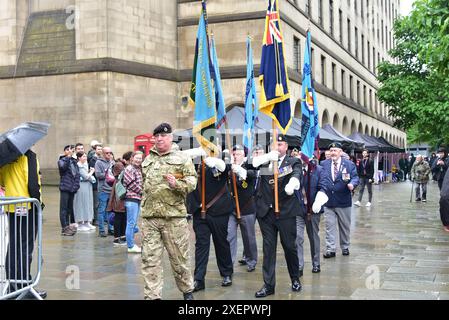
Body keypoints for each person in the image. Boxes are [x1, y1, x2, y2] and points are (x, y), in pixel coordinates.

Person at [140, 123, 197, 300]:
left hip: (174, 218)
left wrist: (177, 184)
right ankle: (152, 296)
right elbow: (145, 184)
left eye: (163, 136)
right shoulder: (148, 159)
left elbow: (192, 182)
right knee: (150, 260)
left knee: (180, 259)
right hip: (150, 218)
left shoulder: (182, 158)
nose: (159, 139)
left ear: (170, 137)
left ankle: (187, 291)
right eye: (156, 136)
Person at [252, 134, 302, 298]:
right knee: (268, 250)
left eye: (280, 144)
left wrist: (293, 183)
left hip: (285, 212)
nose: (277, 147)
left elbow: (296, 173)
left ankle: (295, 277)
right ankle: (268, 285)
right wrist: (266, 157)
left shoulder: (292, 161)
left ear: (286, 147)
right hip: (266, 213)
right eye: (275, 144)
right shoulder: (266, 162)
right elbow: (251, 164)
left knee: (289, 247)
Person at [0, 149, 47, 299]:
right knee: (25, 247)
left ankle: (13, 286)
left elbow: (2, 182)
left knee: (14, 245)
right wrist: (39, 203)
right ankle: (24, 286)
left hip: (11, 206)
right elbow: (33, 184)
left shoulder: (4, 158)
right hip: (28, 206)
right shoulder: (29, 156)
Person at [187, 148, 234, 292]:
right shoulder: (195, 162)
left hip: (219, 211)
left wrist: (214, 161)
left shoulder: (221, 160)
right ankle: (199, 279)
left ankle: (226, 273)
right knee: (201, 245)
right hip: (200, 212)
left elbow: (225, 169)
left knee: (221, 243)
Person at [321, 142, 359, 258]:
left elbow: (355, 177)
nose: (333, 153)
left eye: (335, 151)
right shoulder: (323, 164)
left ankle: (345, 246)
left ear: (340, 152)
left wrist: (352, 184)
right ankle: (330, 248)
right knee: (329, 226)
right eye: (331, 151)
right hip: (329, 201)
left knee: (345, 226)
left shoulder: (349, 164)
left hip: (343, 201)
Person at [226, 145, 258, 272]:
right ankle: (229, 263)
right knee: (229, 236)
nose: (235, 156)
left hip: (246, 208)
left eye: (238, 154)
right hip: (232, 209)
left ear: (244, 155)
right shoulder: (229, 168)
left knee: (249, 238)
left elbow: (252, 174)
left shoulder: (248, 165)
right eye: (233, 154)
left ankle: (251, 260)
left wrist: (239, 171)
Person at [296, 158, 329, 275]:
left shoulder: (319, 170)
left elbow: (323, 187)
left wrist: (319, 201)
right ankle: (299, 266)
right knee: (297, 237)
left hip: (312, 210)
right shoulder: (295, 169)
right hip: (298, 209)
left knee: (313, 237)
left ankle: (316, 263)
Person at [123, 151, 143, 253]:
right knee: (131, 223)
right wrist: (143, 191)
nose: (139, 160)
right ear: (132, 158)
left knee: (133, 223)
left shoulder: (138, 169)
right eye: (137, 158)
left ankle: (131, 242)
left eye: (140, 158)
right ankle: (130, 246)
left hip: (137, 198)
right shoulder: (129, 168)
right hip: (131, 198)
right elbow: (131, 184)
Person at [58, 145, 80, 236]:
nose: (69, 151)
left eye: (71, 150)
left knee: (69, 209)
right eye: (67, 150)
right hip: (65, 188)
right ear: (64, 151)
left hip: (72, 188)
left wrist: (76, 186)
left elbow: (76, 174)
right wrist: (67, 157)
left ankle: (68, 226)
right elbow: (63, 168)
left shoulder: (74, 162)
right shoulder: (61, 160)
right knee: (63, 209)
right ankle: (64, 227)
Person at [94, 146, 115, 237]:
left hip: (111, 190)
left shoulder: (112, 162)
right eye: (107, 153)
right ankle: (102, 230)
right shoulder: (98, 162)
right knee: (101, 210)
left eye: (110, 153)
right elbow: (98, 175)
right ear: (103, 153)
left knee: (111, 210)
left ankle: (111, 228)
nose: (109, 155)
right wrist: (107, 173)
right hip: (103, 189)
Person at [73, 152, 96, 231]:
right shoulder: (79, 165)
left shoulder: (85, 164)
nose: (85, 158)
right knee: (81, 204)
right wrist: (92, 172)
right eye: (83, 156)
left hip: (87, 186)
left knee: (88, 203)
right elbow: (86, 176)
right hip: (81, 186)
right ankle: (80, 223)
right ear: (79, 158)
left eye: (85, 156)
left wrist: (90, 175)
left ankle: (87, 222)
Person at [106, 159, 127, 246]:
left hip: (119, 199)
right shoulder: (120, 177)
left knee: (122, 218)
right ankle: (117, 238)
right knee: (118, 218)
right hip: (119, 200)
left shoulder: (118, 178)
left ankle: (121, 237)